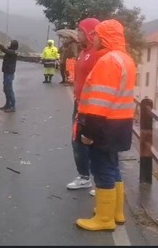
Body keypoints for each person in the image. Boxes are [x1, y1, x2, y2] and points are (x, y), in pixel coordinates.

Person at [75, 19, 136, 231]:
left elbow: (100, 101)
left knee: (102, 170)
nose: (95, 38)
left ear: (106, 37)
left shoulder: (108, 61)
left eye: (98, 35)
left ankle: (104, 219)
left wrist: (88, 132)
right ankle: (115, 213)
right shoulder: (125, 59)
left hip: (104, 125)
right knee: (113, 168)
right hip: (120, 124)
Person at [66, 18, 101, 196]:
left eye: (80, 31)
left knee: (91, 142)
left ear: (89, 33)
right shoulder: (84, 51)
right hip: (79, 104)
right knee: (77, 140)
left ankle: (100, 182)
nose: (77, 33)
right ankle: (85, 177)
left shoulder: (97, 54)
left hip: (90, 107)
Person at [0, 36, 18, 112]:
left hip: (9, 74)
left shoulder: (12, 52)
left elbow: (3, 49)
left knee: (9, 90)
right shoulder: (10, 51)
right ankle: (7, 104)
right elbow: (5, 50)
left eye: (10, 43)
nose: (8, 43)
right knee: (6, 89)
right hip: (6, 73)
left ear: (13, 45)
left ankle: (12, 106)